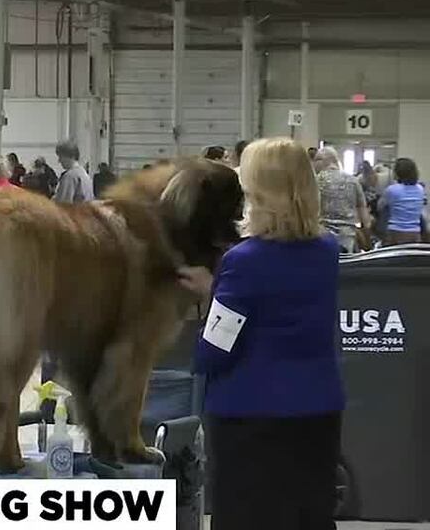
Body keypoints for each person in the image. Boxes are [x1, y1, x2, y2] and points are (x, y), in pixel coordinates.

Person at [178, 137, 343, 530]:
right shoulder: (328, 249)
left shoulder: (243, 261)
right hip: (318, 410)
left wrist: (213, 292)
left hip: (251, 418)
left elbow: (214, 351)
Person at [313, 146, 370, 253]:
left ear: (322, 161)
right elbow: (363, 210)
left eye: (315, 160)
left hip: (323, 236)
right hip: (348, 237)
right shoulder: (353, 180)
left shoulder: (316, 181)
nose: (313, 164)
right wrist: (366, 234)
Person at [379, 157, 427, 246]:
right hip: (415, 233)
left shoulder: (392, 190)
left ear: (398, 173)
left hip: (394, 233)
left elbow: (380, 206)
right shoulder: (420, 189)